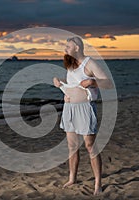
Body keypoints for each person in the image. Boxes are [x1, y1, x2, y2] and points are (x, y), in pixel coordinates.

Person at [53, 36, 112, 195]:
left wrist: (93, 83)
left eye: (68, 46)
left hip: (85, 109)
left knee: (90, 146)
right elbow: (72, 82)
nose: (65, 49)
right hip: (69, 108)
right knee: (72, 146)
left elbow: (108, 83)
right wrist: (60, 81)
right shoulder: (71, 64)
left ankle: (98, 183)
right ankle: (72, 178)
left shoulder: (90, 63)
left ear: (77, 47)